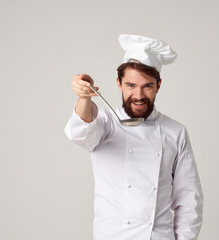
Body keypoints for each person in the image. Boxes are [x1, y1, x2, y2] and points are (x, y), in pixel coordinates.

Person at [65, 34, 203, 240]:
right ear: (119, 84)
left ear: (158, 85)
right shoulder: (105, 123)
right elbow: (80, 134)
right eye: (130, 85)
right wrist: (84, 97)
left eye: (147, 86)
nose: (138, 95)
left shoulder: (175, 132)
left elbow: (189, 200)